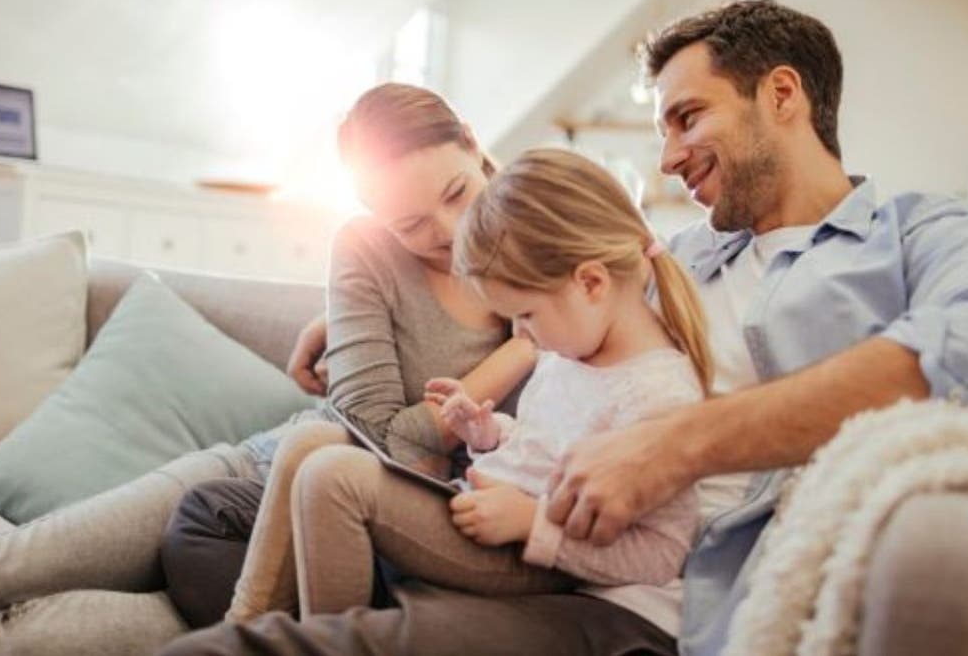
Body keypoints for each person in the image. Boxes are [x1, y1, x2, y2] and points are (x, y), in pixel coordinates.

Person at [164, 0, 968, 656]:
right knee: (203, 520)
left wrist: (680, 444)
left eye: (687, 117)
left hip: (638, 579)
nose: (665, 156)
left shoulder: (919, 233)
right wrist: (346, 309)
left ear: (783, 96)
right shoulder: (674, 258)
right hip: (512, 494)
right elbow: (544, 295)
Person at [0, 82, 536, 654]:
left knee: (36, 640)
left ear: (475, 147)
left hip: (368, 550)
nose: (446, 236)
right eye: (411, 225)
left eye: (454, 194)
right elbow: (376, 435)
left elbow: (634, 282)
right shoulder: (367, 248)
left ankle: (21, 546)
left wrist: (530, 336)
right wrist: (522, 349)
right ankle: (15, 548)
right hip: (257, 478)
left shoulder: (547, 248)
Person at [199, 148, 711, 629]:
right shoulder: (571, 353)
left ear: (592, 283)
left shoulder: (657, 397)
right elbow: (547, 447)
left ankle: (321, 642)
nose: (524, 338)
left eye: (526, 315)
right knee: (311, 449)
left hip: (532, 557)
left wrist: (533, 523)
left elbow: (662, 551)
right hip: (487, 512)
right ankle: (246, 630)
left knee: (334, 479)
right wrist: (489, 433)